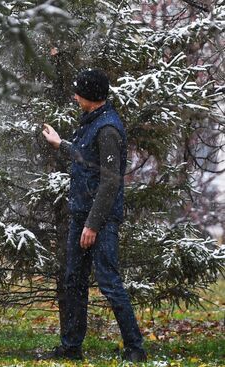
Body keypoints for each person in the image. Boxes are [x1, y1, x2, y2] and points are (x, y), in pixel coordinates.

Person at [40, 68, 147, 362]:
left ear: (92, 97)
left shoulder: (108, 129)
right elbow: (88, 158)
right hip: (81, 215)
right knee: (74, 280)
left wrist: (93, 224)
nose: (74, 97)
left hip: (100, 219)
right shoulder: (92, 122)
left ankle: (135, 349)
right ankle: (71, 347)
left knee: (109, 282)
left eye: (78, 93)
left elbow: (111, 180)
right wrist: (60, 143)